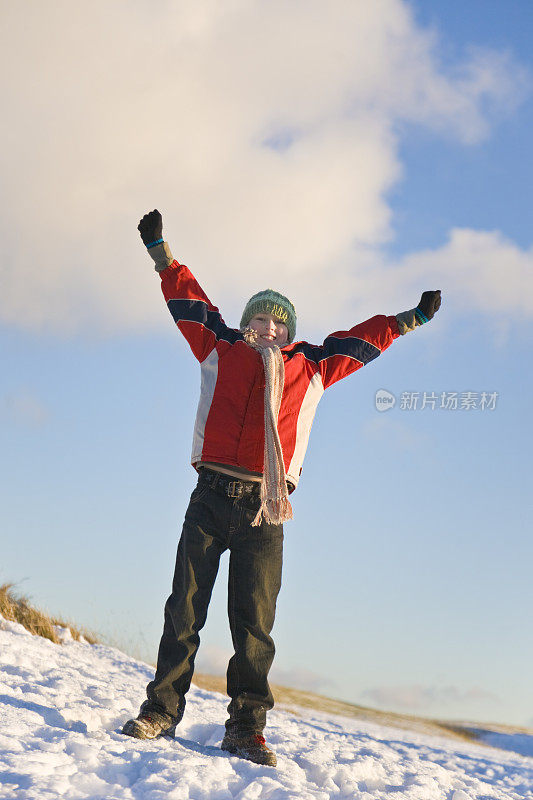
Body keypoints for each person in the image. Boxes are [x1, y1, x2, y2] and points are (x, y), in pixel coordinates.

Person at [122, 209, 442, 766]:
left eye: (278, 324)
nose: (268, 330)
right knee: (184, 610)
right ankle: (160, 712)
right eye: (259, 321)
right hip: (211, 496)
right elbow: (188, 303)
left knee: (254, 627)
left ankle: (246, 730)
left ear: (290, 333)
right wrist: (161, 253)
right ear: (245, 325)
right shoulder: (218, 347)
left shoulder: (312, 367)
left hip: (267, 509)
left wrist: (410, 318)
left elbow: (362, 342)